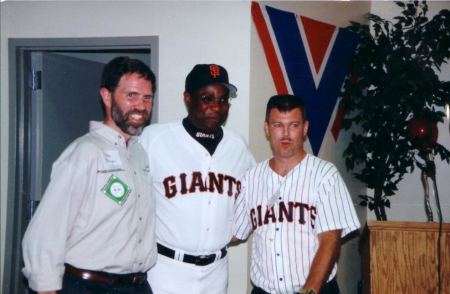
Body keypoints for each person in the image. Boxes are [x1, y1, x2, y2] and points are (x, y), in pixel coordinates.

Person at [22, 56, 158, 294]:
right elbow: (46, 230)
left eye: (147, 97)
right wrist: (46, 288)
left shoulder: (138, 153)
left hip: (136, 286)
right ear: (107, 96)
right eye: (131, 95)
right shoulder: (85, 151)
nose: (141, 106)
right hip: (88, 287)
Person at [139, 64, 255, 294]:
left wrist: (240, 228)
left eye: (223, 100)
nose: (216, 106)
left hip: (216, 272)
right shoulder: (155, 139)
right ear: (188, 98)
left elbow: (256, 192)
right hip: (165, 270)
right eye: (206, 98)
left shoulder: (237, 145)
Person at [233, 94, 360, 294]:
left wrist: (309, 291)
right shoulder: (252, 177)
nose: (285, 134)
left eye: (293, 125)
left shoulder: (324, 174)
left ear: (305, 128)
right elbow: (233, 232)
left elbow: (330, 240)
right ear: (267, 128)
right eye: (277, 125)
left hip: (315, 290)